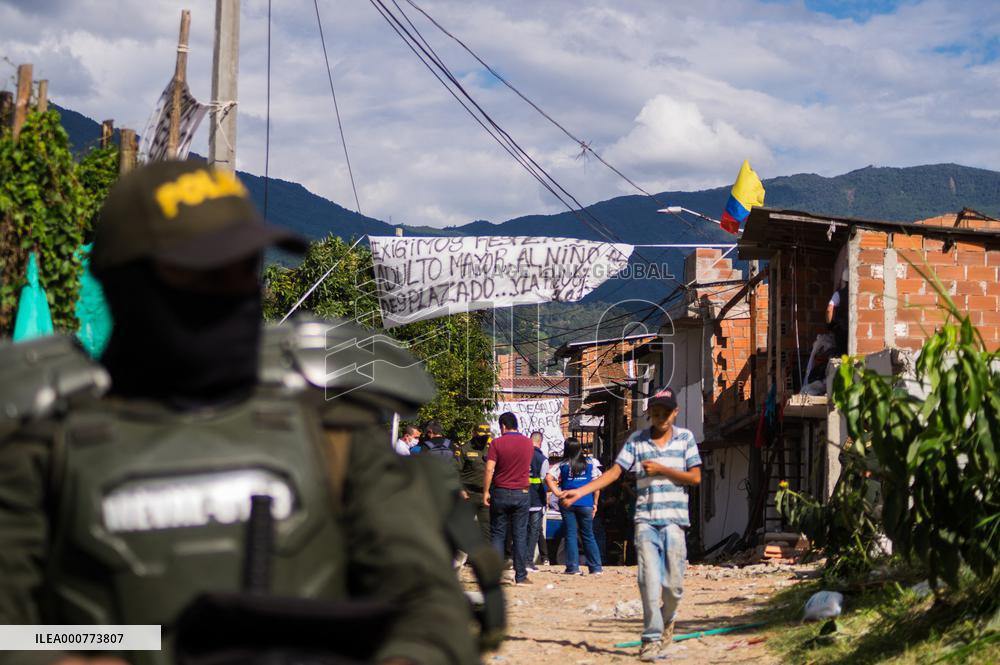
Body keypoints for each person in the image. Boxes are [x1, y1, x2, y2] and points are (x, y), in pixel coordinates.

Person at [0, 160, 478, 665]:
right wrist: (128, 647)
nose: (231, 292)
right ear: (125, 282)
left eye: (243, 269)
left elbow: (429, 604)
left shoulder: (332, 434)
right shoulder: (44, 444)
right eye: (202, 273)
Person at [562, 387, 701, 662]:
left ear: (675, 413)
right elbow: (615, 472)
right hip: (645, 522)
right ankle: (650, 639)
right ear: (650, 414)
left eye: (665, 413)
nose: (660, 418)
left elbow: (695, 477)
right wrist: (581, 491)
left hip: (675, 522)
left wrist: (663, 470)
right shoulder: (637, 441)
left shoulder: (686, 439)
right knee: (648, 580)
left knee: (674, 586)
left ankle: (667, 619)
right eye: (655, 413)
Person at [483, 412, 534, 585]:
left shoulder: (496, 443)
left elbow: (489, 469)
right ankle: (520, 576)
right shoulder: (528, 443)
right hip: (522, 493)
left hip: (501, 492)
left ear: (503, 426)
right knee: (520, 535)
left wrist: (486, 492)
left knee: (498, 534)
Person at [546, 437, 603, 576]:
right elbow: (597, 484)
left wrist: (558, 493)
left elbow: (548, 477)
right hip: (586, 503)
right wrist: (595, 503)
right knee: (588, 534)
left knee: (570, 534)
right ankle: (595, 568)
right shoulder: (589, 463)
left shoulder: (562, 464)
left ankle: (573, 568)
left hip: (567, 502)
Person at [454, 423, 492, 541]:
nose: (483, 439)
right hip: (468, 494)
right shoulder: (464, 448)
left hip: (485, 495)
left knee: (487, 529)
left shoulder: (491, 448)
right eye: (481, 436)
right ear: (474, 433)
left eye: (486, 436)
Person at [525, 431, 549, 571]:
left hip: (521, 498)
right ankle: (528, 561)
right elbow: (544, 481)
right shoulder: (543, 459)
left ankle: (519, 560)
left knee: (520, 530)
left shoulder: (522, 455)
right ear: (541, 441)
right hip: (536, 500)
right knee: (534, 531)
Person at [826, 268, 849, 354]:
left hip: (842, 331)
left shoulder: (838, 294)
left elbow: (829, 309)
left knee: (842, 357)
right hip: (854, 331)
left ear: (844, 280)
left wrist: (829, 323)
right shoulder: (858, 294)